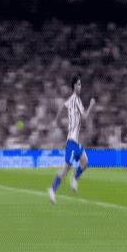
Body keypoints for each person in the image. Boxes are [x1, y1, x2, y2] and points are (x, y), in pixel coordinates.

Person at [48, 74, 95, 204]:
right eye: (78, 84)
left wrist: (56, 121)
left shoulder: (71, 100)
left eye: (80, 84)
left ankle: (74, 179)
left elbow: (62, 107)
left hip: (75, 142)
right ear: (74, 86)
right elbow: (84, 117)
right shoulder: (76, 100)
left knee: (85, 162)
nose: (80, 86)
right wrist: (91, 105)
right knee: (65, 169)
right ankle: (52, 190)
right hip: (71, 142)